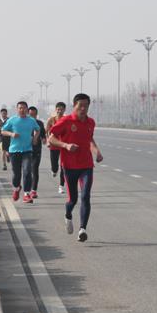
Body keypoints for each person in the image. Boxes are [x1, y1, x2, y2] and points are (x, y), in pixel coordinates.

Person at [48, 93, 103, 242]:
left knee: (85, 196)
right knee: (73, 199)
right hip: (69, 166)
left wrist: (97, 152)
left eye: (86, 106)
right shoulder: (66, 121)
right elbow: (51, 138)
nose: (83, 109)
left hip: (86, 165)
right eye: (80, 106)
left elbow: (89, 139)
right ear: (74, 106)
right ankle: (68, 215)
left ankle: (82, 229)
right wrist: (65, 145)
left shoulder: (91, 122)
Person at [1, 101, 41, 204]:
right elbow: (3, 131)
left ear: (27, 109)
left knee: (27, 171)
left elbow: (38, 129)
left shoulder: (31, 120)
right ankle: (17, 188)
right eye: (20, 108)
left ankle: (26, 194)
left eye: (24, 108)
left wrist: (35, 138)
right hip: (14, 150)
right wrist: (11, 134)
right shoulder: (12, 120)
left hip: (27, 150)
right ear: (17, 109)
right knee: (16, 174)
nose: (22, 110)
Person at [46, 102, 67, 194]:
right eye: (58, 109)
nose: (60, 111)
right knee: (54, 166)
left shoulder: (66, 120)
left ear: (64, 110)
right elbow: (47, 131)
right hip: (54, 145)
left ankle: (61, 186)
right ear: (56, 109)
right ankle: (54, 170)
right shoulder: (51, 120)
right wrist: (48, 141)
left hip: (63, 145)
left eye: (61, 109)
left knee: (63, 166)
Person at [28, 106, 47, 199]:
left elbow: (43, 135)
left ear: (36, 115)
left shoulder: (40, 123)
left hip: (36, 150)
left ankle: (33, 190)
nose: (32, 116)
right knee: (27, 170)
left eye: (34, 114)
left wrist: (44, 139)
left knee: (35, 169)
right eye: (30, 114)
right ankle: (27, 190)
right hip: (26, 150)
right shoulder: (24, 123)